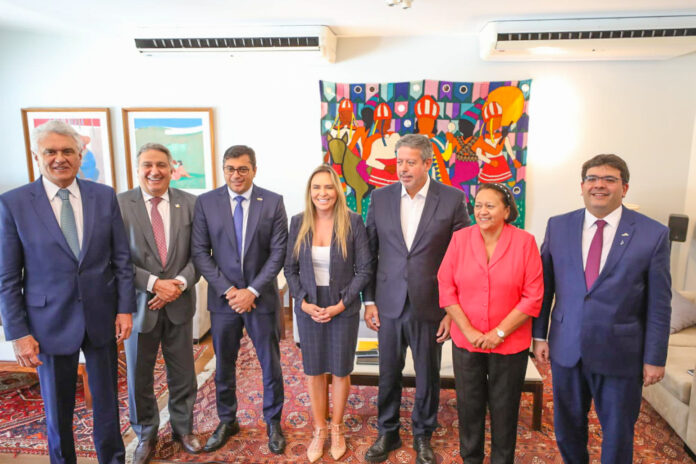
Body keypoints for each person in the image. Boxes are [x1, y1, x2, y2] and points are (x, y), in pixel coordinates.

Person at [0, 120, 135, 464]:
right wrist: (19, 333)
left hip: (101, 317)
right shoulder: (14, 203)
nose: (59, 158)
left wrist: (125, 308)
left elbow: (121, 259)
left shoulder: (103, 196)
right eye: (50, 151)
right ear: (37, 156)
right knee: (58, 411)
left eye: (67, 151)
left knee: (107, 405)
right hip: (48, 322)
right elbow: (8, 277)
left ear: (80, 155)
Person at [532, 154, 672, 463]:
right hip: (567, 348)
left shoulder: (653, 234)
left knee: (618, 432)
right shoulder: (558, 226)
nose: (599, 185)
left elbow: (659, 303)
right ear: (582, 186)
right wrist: (539, 335)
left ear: (625, 188)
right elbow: (545, 286)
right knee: (567, 428)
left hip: (621, 353)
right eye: (592, 179)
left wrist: (654, 357)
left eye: (609, 179)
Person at [363, 133, 470, 464]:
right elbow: (369, 253)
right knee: (388, 373)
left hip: (432, 305)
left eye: (410, 162)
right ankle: (388, 431)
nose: (403, 169)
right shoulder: (379, 198)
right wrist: (369, 301)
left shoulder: (452, 199)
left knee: (427, 375)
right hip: (388, 303)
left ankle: (423, 434)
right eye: (399, 162)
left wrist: (452, 311)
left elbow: (462, 257)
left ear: (427, 163)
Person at [192, 144, 288, 454]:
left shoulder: (272, 202)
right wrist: (230, 291)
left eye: (243, 169)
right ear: (224, 170)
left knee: (270, 364)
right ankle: (227, 420)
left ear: (254, 170)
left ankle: (273, 422)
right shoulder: (206, 203)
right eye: (231, 169)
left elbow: (278, 252)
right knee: (224, 365)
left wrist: (252, 291)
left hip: (261, 298)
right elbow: (200, 253)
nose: (236, 174)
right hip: (224, 300)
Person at [437, 183, 543, 463]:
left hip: (510, 344)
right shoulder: (460, 239)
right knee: (468, 406)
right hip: (466, 341)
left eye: (490, 205)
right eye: (478, 205)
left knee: (504, 409)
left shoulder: (525, 242)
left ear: (506, 211)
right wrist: (468, 330)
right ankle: (470, 458)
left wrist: (499, 332)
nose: (482, 211)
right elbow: (446, 287)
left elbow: (533, 296)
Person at [117, 143, 201, 464]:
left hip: (180, 302)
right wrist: (154, 284)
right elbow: (116, 258)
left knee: (183, 373)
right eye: (147, 165)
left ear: (171, 168)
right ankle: (145, 433)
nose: (155, 171)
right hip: (139, 306)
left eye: (161, 165)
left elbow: (200, 254)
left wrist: (178, 284)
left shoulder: (191, 203)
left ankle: (183, 429)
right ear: (137, 168)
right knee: (139, 376)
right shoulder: (120, 205)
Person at [284, 165, 373, 462]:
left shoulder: (353, 221)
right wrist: (302, 301)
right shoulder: (298, 222)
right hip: (309, 305)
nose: (322, 193)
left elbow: (365, 269)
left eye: (328, 187)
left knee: (339, 369)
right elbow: (290, 269)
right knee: (313, 370)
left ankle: (337, 427)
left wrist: (341, 304)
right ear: (309, 192)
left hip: (342, 305)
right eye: (316, 187)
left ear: (337, 190)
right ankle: (319, 428)